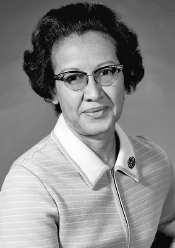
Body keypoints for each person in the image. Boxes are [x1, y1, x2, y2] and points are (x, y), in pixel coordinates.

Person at [0, 2, 174, 248]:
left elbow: (168, 228)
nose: (94, 93)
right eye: (73, 77)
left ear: (125, 78)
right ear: (52, 91)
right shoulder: (28, 185)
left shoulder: (156, 160)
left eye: (106, 72)